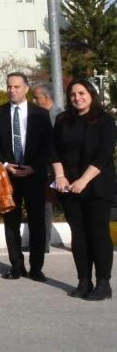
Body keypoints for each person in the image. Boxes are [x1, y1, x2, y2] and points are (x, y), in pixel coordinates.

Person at [50, 78, 115, 300]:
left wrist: (84, 180)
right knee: (78, 236)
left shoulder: (105, 120)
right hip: (68, 186)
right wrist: (60, 176)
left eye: (81, 93)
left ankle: (103, 284)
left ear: (91, 94)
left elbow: (104, 154)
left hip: (96, 185)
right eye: (73, 95)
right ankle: (83, 281)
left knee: (98, 234)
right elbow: (54, 150)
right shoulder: (62, 120)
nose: (77, 98)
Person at [0, 72, 54, 282]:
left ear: (26, 88)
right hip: (9, 174)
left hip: (33, 174)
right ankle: (16, 266)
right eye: (9, 86)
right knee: (11, 222)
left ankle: (36, 267)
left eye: (16, 87)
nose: (12, 90)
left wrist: (34, 167)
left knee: (37, 222)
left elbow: (48, 145)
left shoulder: (40, 114)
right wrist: (6, 165)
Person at [32, 83, 62, 252]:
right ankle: (43, 244)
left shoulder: (58, 116)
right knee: (45, 205)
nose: (34, 101)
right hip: (44, 167)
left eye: (37, 98)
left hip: (56, 168)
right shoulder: (41, 115)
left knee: (51, 205)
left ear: (47, 97)